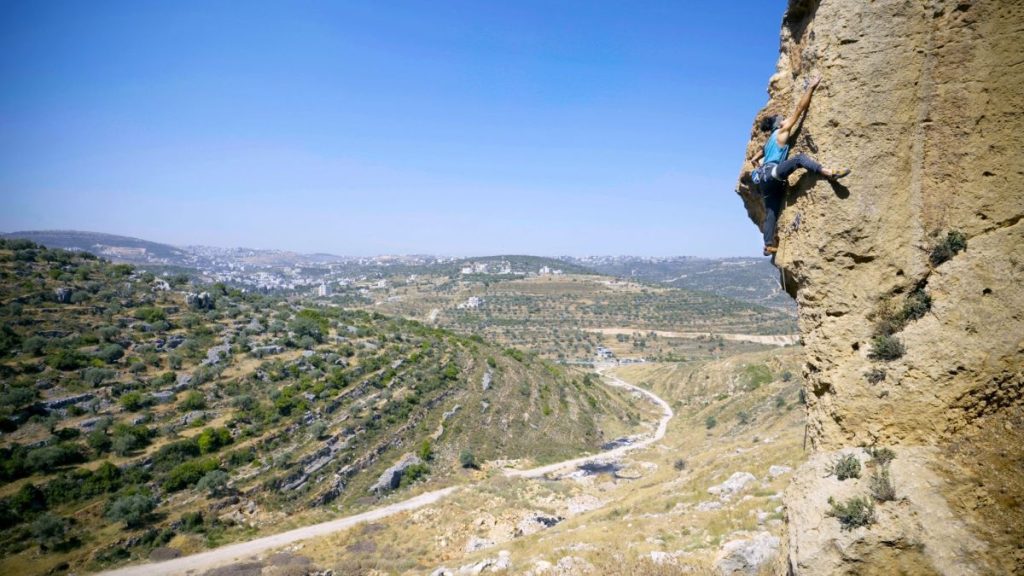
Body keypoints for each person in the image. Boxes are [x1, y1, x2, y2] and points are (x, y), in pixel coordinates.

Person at [750, 75, 849, 256]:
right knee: (799, 159)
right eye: (782, 118)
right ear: (778, 124)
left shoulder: (768, 142)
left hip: (764, 179)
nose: (784, 118)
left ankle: (768, 244)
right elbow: (799, 109)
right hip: (773, 172)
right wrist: (810, 87)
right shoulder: (782, 130)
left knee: (771, 211)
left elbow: (754, 159)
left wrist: (757, 165)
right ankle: (828, 172)